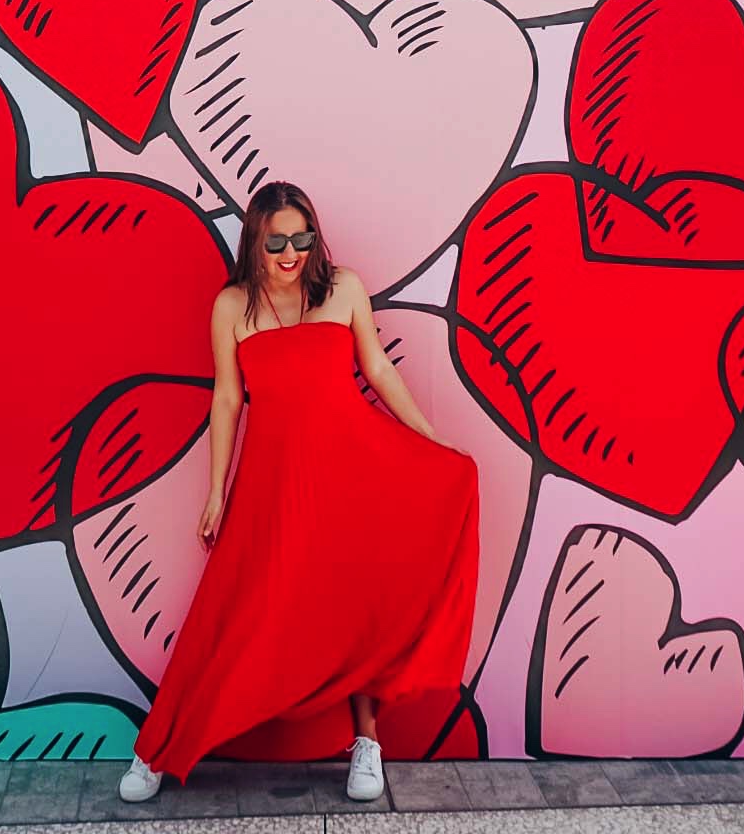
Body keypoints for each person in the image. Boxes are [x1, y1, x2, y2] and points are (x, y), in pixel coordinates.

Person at [118, 179, 480, 805]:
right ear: (255, 243)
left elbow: (377, 369)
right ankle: (156, 750)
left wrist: (431, 440)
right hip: (272, 481)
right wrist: (215, 492)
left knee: (356, 605)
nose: (291, 253)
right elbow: (227, 400)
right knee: (230, 612)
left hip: (353, 473)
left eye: (301, 238)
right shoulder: (231, 306)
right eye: (277, 241)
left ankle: (366, 745)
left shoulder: (345, 289)